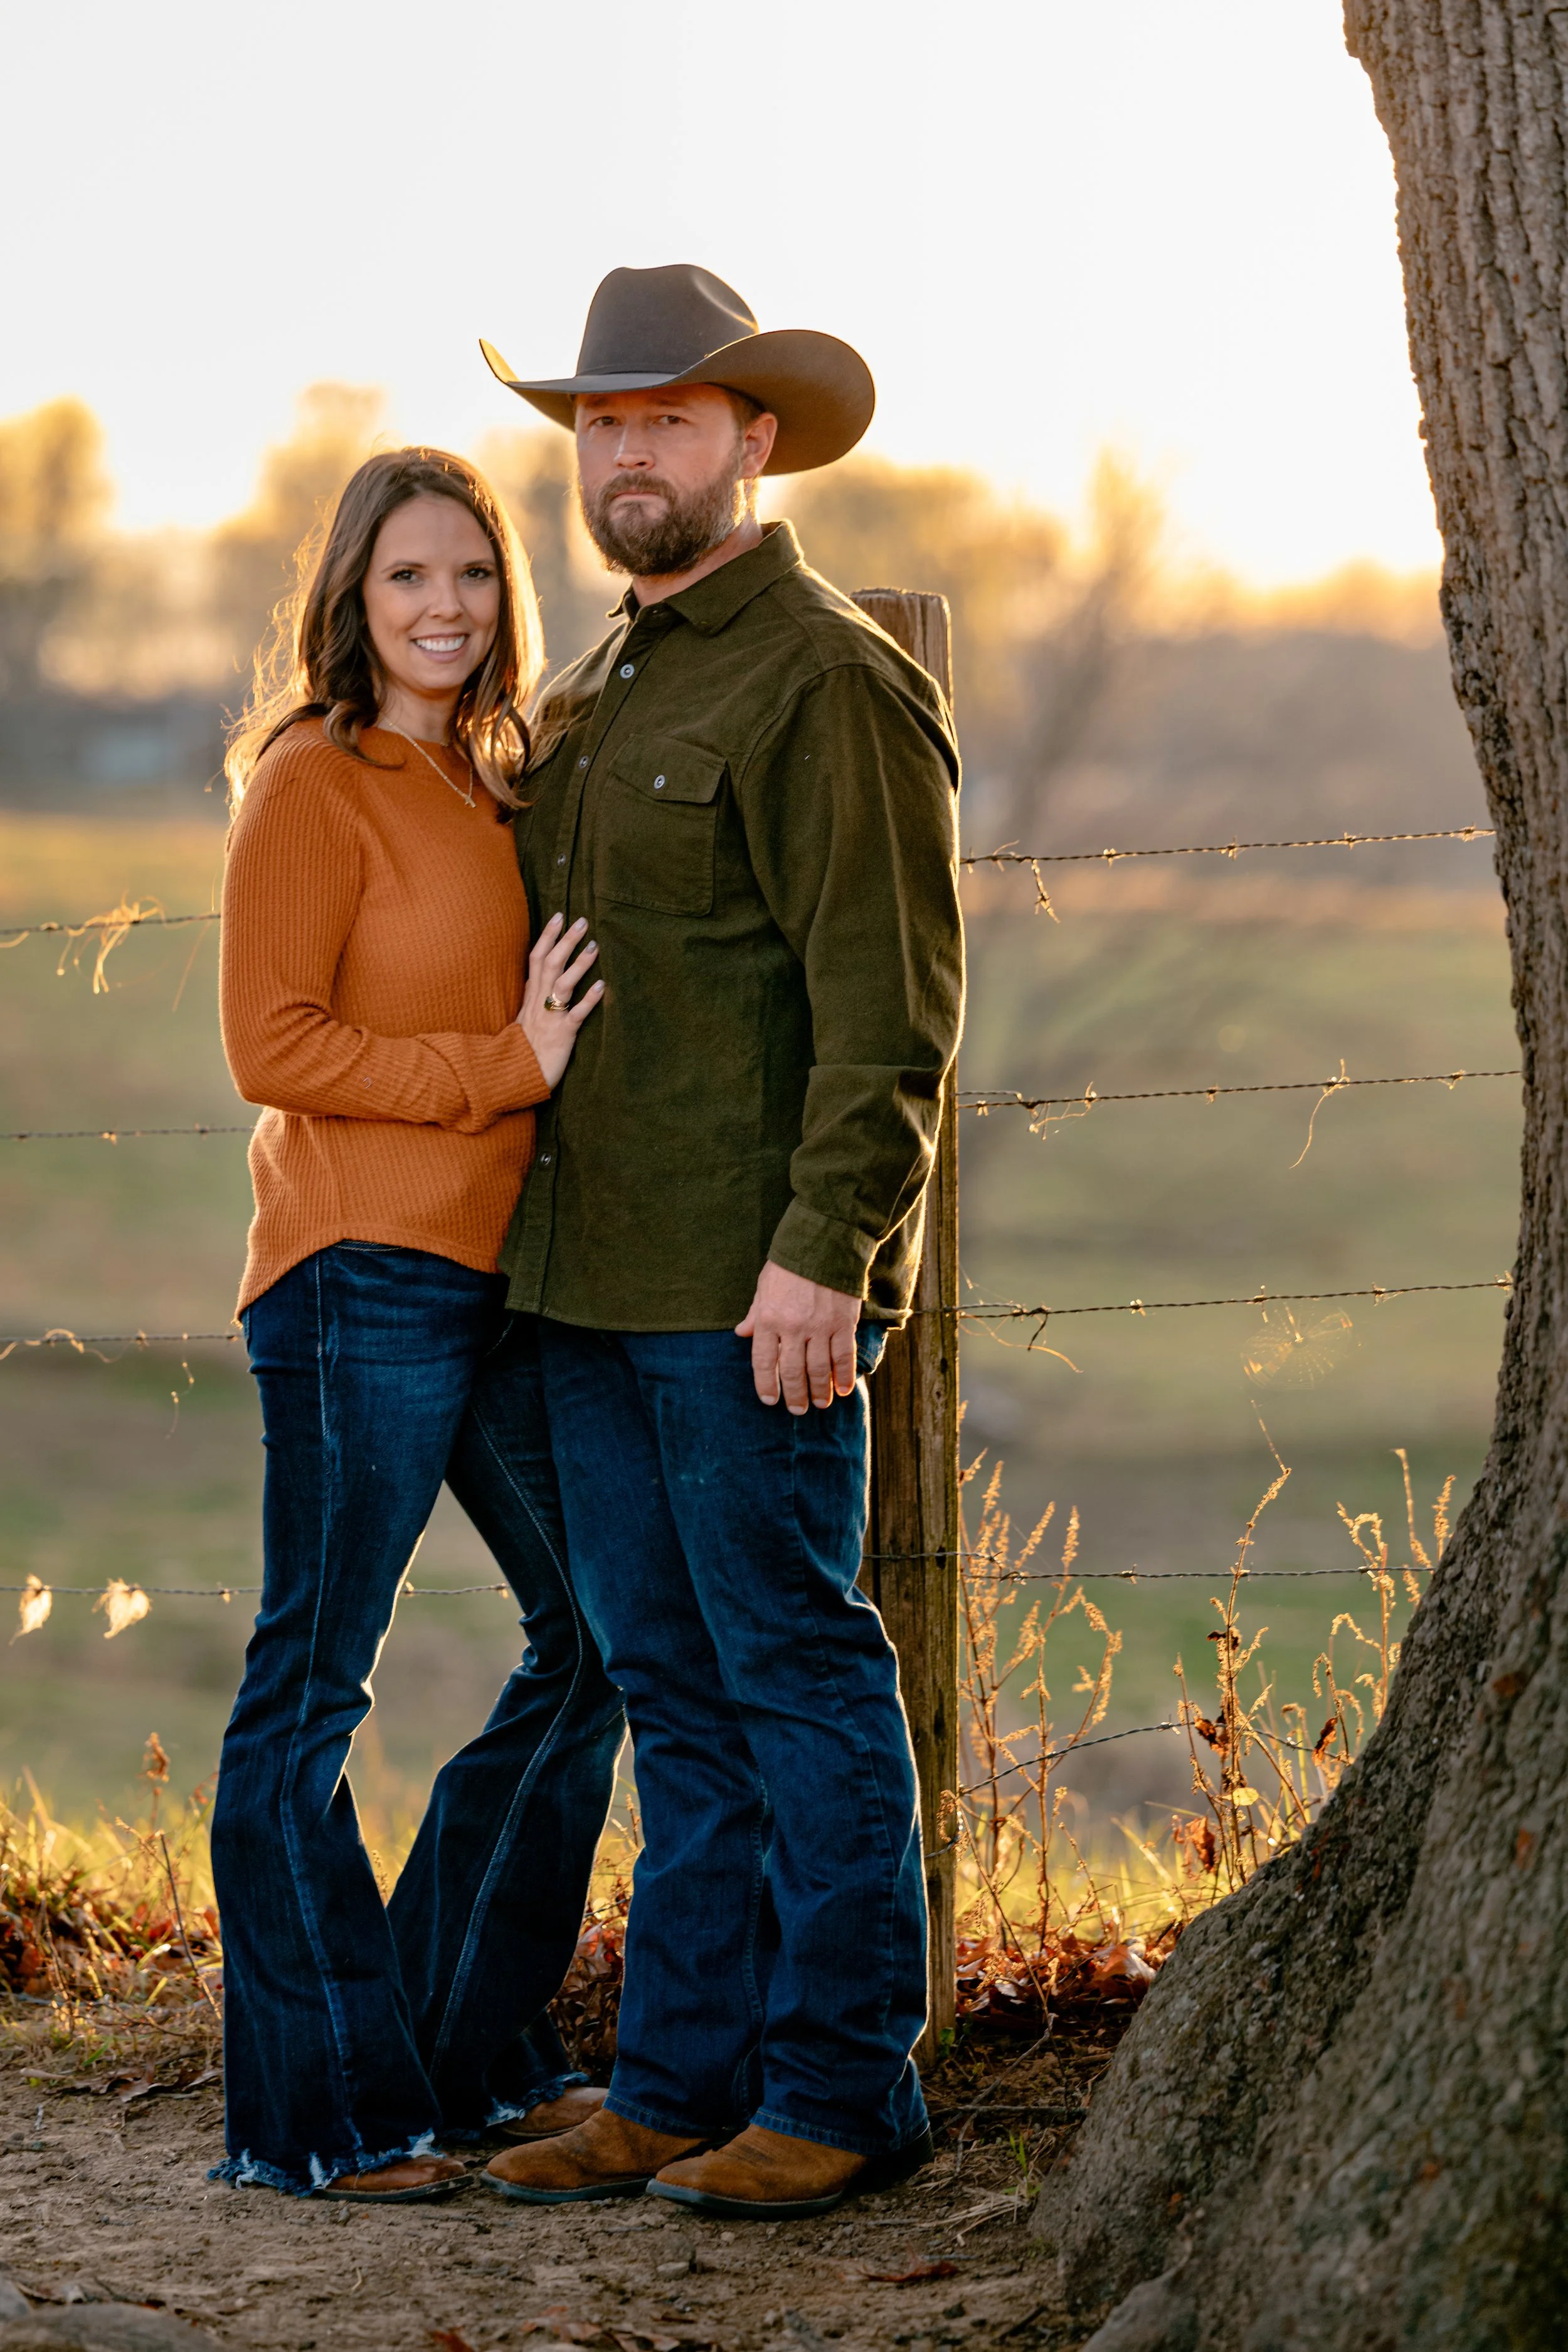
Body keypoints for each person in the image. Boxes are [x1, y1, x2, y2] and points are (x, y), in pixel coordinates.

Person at [477, 265, 965, 2218]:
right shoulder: (596, 682)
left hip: (748, 1289)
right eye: (602, 423)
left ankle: (843, 2089)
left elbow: (891, 1004)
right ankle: (674, 2082)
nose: (627, 453)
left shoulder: (826, 676)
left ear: (753, 440)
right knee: (666, 1685)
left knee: (794, 1672)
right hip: (584, 1282)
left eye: (667, 419)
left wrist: (828, 1250)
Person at [210, 447, 622, 2202]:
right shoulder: (317, 779)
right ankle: (322, 2116)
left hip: (489, 1281)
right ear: (351, 601)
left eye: (470, 576)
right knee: (307, 1693)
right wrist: (500, 1071)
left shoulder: (486, 781)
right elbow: (272, 1045)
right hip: (358, 1274)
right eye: (406, 579)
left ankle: (446, 2049)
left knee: (600, 1638)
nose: (443, 606)